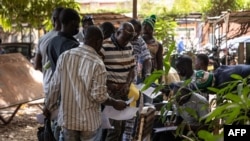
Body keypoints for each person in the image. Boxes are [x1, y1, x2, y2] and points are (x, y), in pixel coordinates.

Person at [44, 26, 127, 141]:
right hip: (89, 122)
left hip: (68, 119)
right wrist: (114, 103)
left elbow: (54, 86)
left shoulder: (65, 56)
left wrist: (49, 106)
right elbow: (99, 96)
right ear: (98, 42)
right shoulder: (97, 63)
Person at [101, 22, 136, 141]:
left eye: (129, 39)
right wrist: (108, 84)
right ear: (118, 32)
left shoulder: (129, 46)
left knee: (121, 128)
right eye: (124, 38)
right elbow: (96, 71)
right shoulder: (104, 45)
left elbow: (132, 69)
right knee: (113, 130)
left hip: (124, 92)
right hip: (111, 93)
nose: (126, 42)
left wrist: (127, 84)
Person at [34, 7, 64, 94]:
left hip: (47, 86)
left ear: (53, 19)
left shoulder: (43, 39)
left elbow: (36, 65)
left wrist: (48, 71)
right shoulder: (68, 39)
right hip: (64, 88)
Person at [47, 8, 80, 74]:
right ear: (73, 22)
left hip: (56, 83)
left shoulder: (52, 42)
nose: (78, 27)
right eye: (78, 23)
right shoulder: (72, 46)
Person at [142, 14, 163, 83]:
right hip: (138, 74)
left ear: (152, 28)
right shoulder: (139, 41)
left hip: (151, 74)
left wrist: (160, 82)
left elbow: (160, 65)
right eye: (143, 25)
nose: (144, 27)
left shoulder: (158, 45)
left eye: (146, 25)